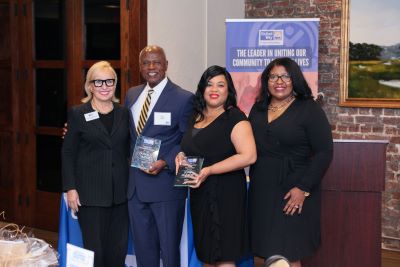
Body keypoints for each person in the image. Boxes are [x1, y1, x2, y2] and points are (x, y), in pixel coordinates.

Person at [248, 57, 333, 267]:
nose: (280, 81)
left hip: (293, 189)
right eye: (274, 76)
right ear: (266, 81)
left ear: (294, 79)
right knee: (268, 250)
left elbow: (324, 152)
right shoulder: (257, 109)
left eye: (286, 76)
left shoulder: (309, 109)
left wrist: (303, 189)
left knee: (289, 252)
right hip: (262, 189)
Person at [176, 65, 257, 266]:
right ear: (202, 89)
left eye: (221, 85)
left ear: (228, 90)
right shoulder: (195, 117)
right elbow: (192, 148)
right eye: (209, 84)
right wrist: (180, 155)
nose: (214, 89)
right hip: (200, 193)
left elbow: (249, 156)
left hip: (226, 194)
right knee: (207, 254)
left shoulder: (236, 118)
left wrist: (210, 170)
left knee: (225, 254)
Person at [124, 45, 194, 267]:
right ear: (140, 67)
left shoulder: (184, 98)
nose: (151, 67)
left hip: (165, 186)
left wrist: (165, 160)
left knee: (169, 249)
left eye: (156, 62)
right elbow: (125, 133)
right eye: (146, 62)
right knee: (144, 250)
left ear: (166, 65)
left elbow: (188, 140)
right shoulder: (132, 94)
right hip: (135, 187)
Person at [62, 61, 130, 267]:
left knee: (117, 253)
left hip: (120, 196)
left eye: (109, 81)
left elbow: (129, 149)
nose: (104, 86)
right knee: (95, 253)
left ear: (115, 84)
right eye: (98, 82)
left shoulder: (124, 113)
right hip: (90, 196)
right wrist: (70, 188)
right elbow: (68, 152)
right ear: (90, 86)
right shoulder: (78, 113)